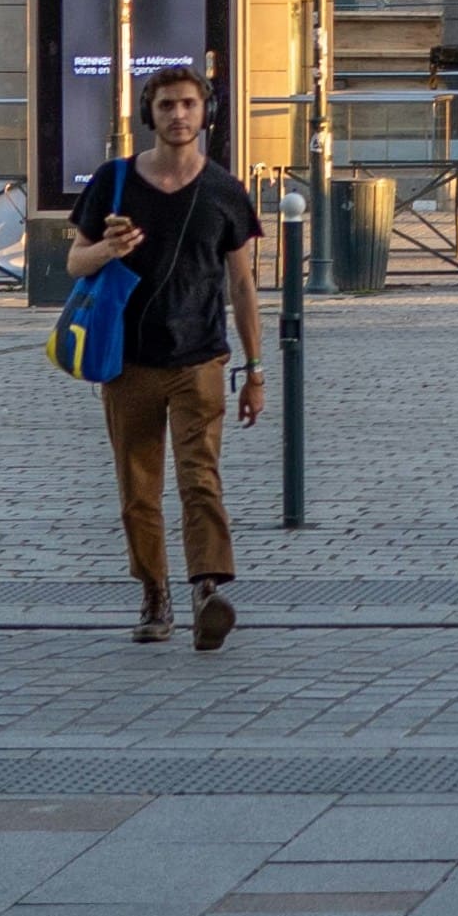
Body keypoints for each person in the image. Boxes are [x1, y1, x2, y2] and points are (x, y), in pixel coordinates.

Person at [88, 68, 270, 651]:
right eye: (167, 105)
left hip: (201, 359)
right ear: (151, 113)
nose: (178, 115)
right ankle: (154, 593)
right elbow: (73, 263)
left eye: (188, 104)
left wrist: (255, 369)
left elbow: (242, 286)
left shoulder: (224, 190)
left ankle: (206, 590)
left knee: (200, 481)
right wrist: (106, 248)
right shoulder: (115, 182)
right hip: (129, 361)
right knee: (138, 492)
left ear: (204, 111)